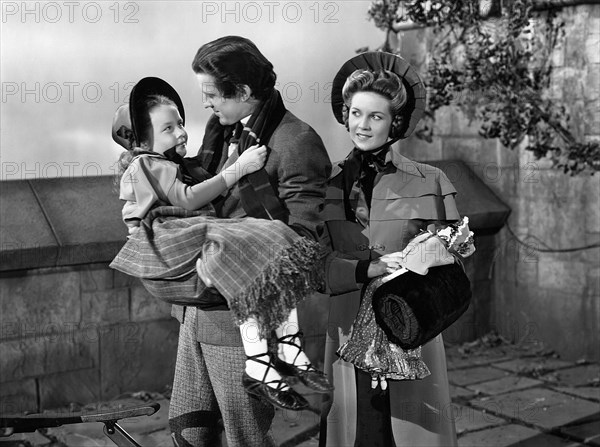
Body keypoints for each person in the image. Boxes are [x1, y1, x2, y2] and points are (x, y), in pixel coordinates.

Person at [110, 77, 330, 414]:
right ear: (143, 140)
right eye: (168, 128)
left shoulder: (175, 163)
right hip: (169, 235)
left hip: (185, 244)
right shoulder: (148, 164)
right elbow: (189, 196)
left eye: (180, 123)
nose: (181, 132)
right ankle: (271, 359)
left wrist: (230, 161)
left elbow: (203, 182)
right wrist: (237, 168)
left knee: (268, 248)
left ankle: (281, 353)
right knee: (250, 252)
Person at [168, 36, 332, 447]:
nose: (205, 104)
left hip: (242, 322)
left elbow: (302, 244)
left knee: (245, 437)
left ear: (242, 92)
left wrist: (221, 246)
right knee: (189, 429)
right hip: (195, 311)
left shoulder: (297, 141)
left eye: (211, 95)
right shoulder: (218, 131)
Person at [319, 52, 459, 446]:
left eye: (375, 116)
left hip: (409, 325)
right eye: (356, 113)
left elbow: (457, 256)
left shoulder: (430, 180)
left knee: (409, 433)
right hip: (348, 329)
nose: (361, 125)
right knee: (359, 430)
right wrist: (368, 269)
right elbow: (316, 266)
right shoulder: (326, 182)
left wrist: (434, 252)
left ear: (395, 122)